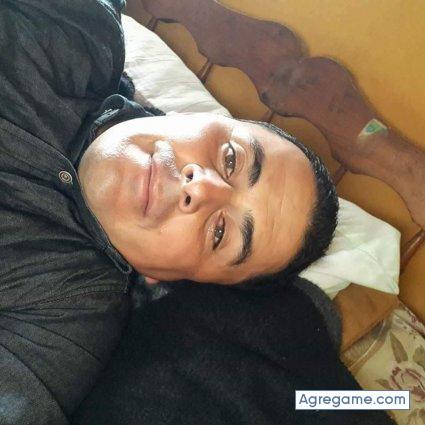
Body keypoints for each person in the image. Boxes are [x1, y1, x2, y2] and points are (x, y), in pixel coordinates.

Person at [0, 0, 339, 423]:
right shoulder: (81, 26)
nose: (202, 189)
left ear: (164, 279)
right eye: (231, 159)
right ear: (190, 115)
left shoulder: (67, 312)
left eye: (220, 233)